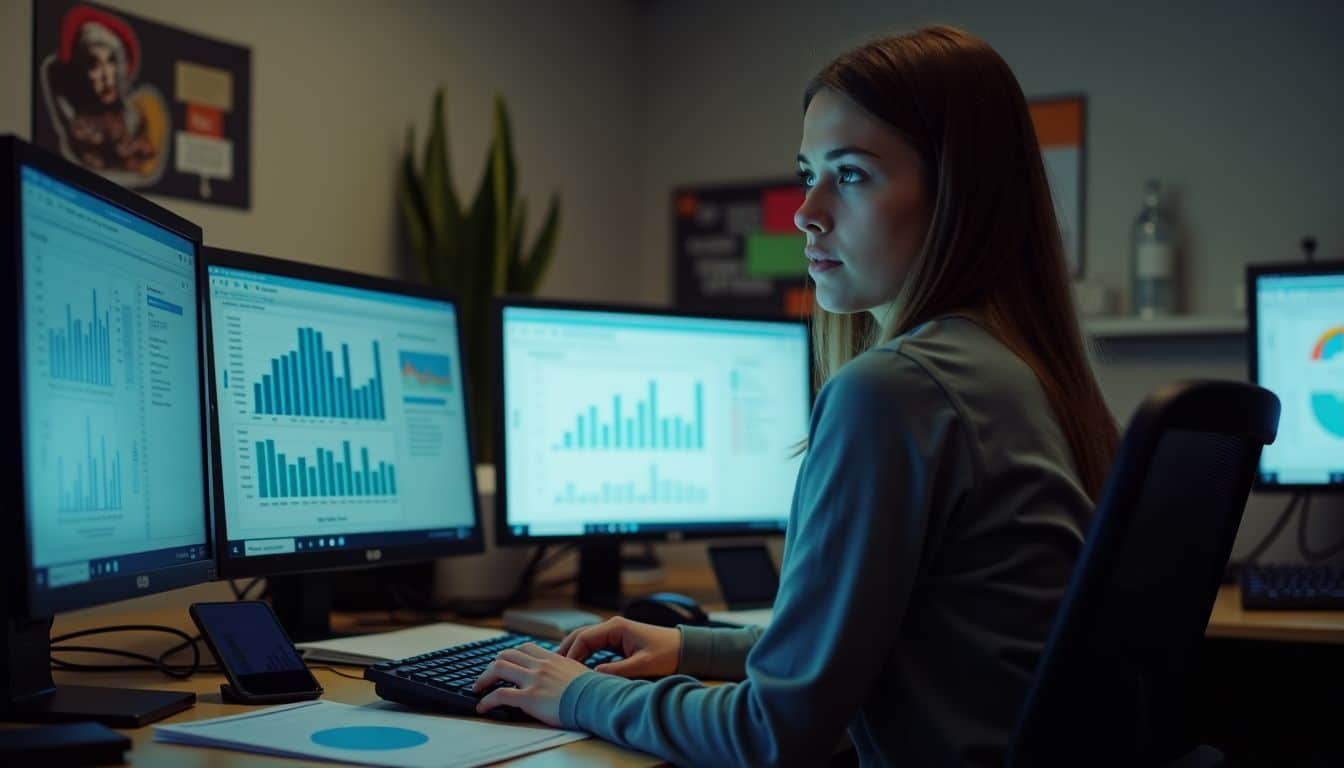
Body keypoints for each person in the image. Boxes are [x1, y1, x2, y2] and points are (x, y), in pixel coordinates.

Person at [471, 25, 1119, 766]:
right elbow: (883, 647)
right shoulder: (1020, 373)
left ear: (957, 196)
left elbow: (774, 733)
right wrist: (691, 645)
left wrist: (574, 691)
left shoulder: (896, 392)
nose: (805, 211)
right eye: (807, 171)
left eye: (850, 175)